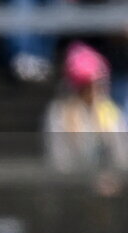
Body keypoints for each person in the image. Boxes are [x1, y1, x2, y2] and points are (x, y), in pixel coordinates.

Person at [44, 41, 128, 197]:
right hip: (72, 194)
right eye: (88, 85)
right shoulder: (59, 113)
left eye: (99, 84)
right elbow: (59, 161)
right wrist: (84, 183)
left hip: (110, 192)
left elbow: (122, 157)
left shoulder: (110, 113)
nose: (95, 90)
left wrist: (113, 179)